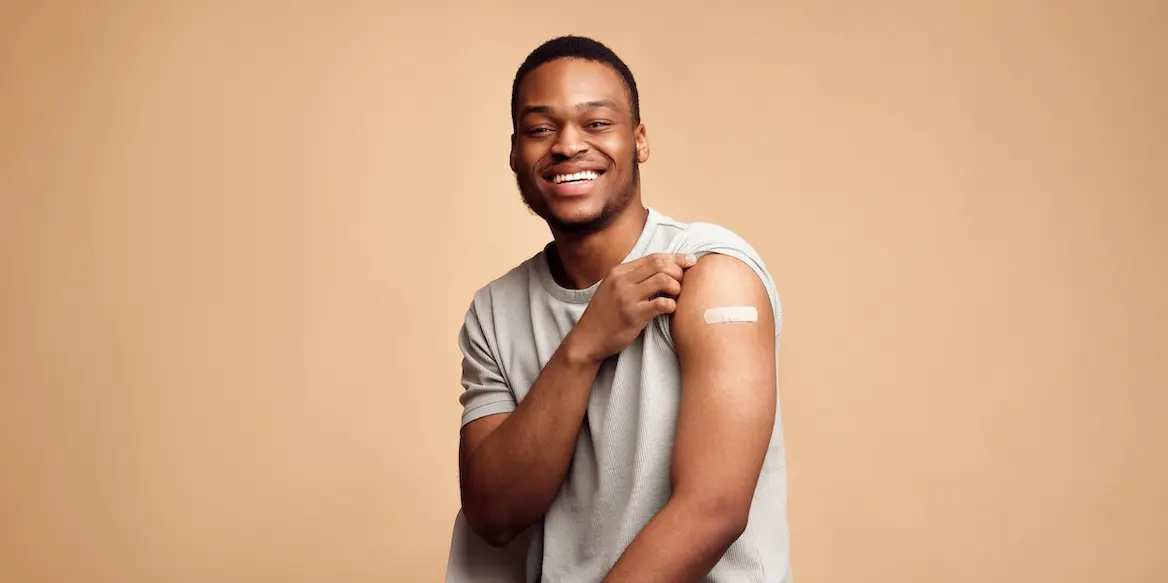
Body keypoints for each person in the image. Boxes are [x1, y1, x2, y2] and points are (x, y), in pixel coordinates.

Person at [455, 35, 792, 583]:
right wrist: (584, 346)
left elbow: (714, 509)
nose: (567, 145)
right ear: (515, 152)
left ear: (639, 141)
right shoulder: (495, 312)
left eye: (595, 124)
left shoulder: (713, 274)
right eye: (541, 129)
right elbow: (494, 514)